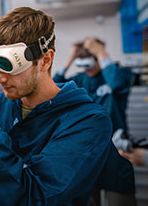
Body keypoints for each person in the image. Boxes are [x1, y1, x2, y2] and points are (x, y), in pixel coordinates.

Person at [0, 7, 135, 205]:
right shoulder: (0, 106)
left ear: (45, 60)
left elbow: (31, 199)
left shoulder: (88, 122)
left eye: (8, 65)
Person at [53, 39, 136, 205]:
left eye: (90, 64)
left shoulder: (116, 74)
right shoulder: (80, 80)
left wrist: (101, 52)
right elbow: (54, 88)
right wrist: (69, 59)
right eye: (82, 65)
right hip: (87, 152)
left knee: (120, 199)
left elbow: (118, 83)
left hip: (115, 150)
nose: (87, 69)